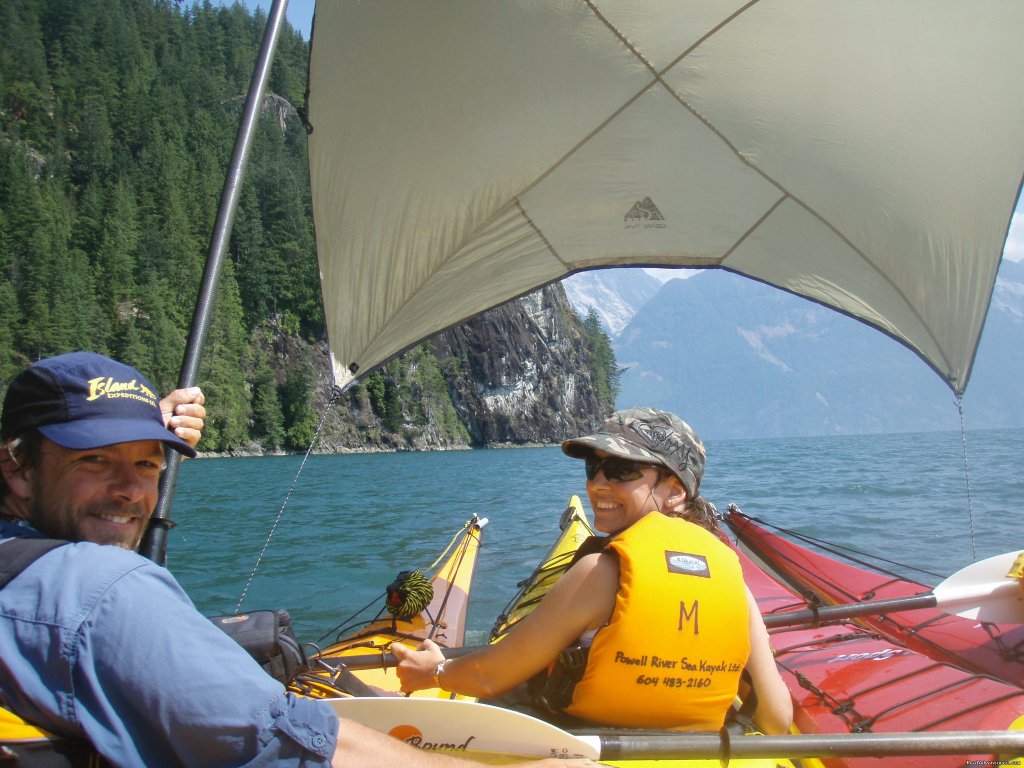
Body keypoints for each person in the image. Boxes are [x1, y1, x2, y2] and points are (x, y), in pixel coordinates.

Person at [0, 352, 596, 768]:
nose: (132, 489)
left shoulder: (22, 567)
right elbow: (277, 741)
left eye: (148, 463)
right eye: (94, 461)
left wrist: (118, 433)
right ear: (17, 469)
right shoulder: (103, 589)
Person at [395, 408, 794, 735]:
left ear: (675, 490)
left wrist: (437, 671)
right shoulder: (734, 585)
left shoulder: (598, 571)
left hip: (585, 746)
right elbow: (777, 718)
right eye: (593, 468)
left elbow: (490, 677)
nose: (598, 484)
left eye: (621, 470)